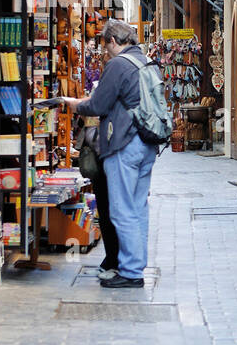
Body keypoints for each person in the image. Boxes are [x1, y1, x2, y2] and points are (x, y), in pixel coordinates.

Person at [57, 19, 160, 288]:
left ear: (113, 41)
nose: (105, 52)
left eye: (106, 47)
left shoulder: (118, 64)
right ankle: (135, 265)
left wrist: (73, 104)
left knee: (122, 209)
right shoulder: (145, 62)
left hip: (124, 143)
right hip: (147, 143)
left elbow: (98, 104)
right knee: (138, 208)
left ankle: (130, 271)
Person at [74, 122, 120, 281]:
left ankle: (116, 263)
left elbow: (98, 107)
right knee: (105, 212)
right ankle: (110, 261)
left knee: (111, 213)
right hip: (101, 154)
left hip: (110, 153)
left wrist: (84, 105)